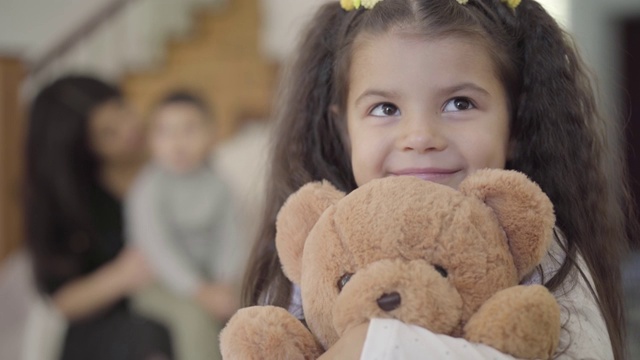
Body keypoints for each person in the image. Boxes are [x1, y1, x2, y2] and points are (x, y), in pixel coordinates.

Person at [240, 0, 635, 359]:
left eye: (459, 103)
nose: (420, 137)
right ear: (344, 130)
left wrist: (380, 346)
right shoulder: (313, 259)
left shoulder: (545, 258)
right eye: (385, 108)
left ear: (515, 126)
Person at [24, 75, 173, 360]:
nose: (129, 129)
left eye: (122, 108)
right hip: (107, 332)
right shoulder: (72, 204)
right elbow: (62, 300)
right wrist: (125, 274)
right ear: (85, 150)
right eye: (107, 133)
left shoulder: (178, 166)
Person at [126, 91, 241, 360]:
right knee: (195, 319)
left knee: (244, 306)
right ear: (151, 141)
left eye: (189, 130)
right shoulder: (148, 188)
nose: (178, 142)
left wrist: (224, 281)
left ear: (212, 135)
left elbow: (231, 237)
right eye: (165, 132)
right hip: (158, 283)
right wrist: (199, 291)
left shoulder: (219, 186)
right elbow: (158, 248)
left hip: (209, 277)